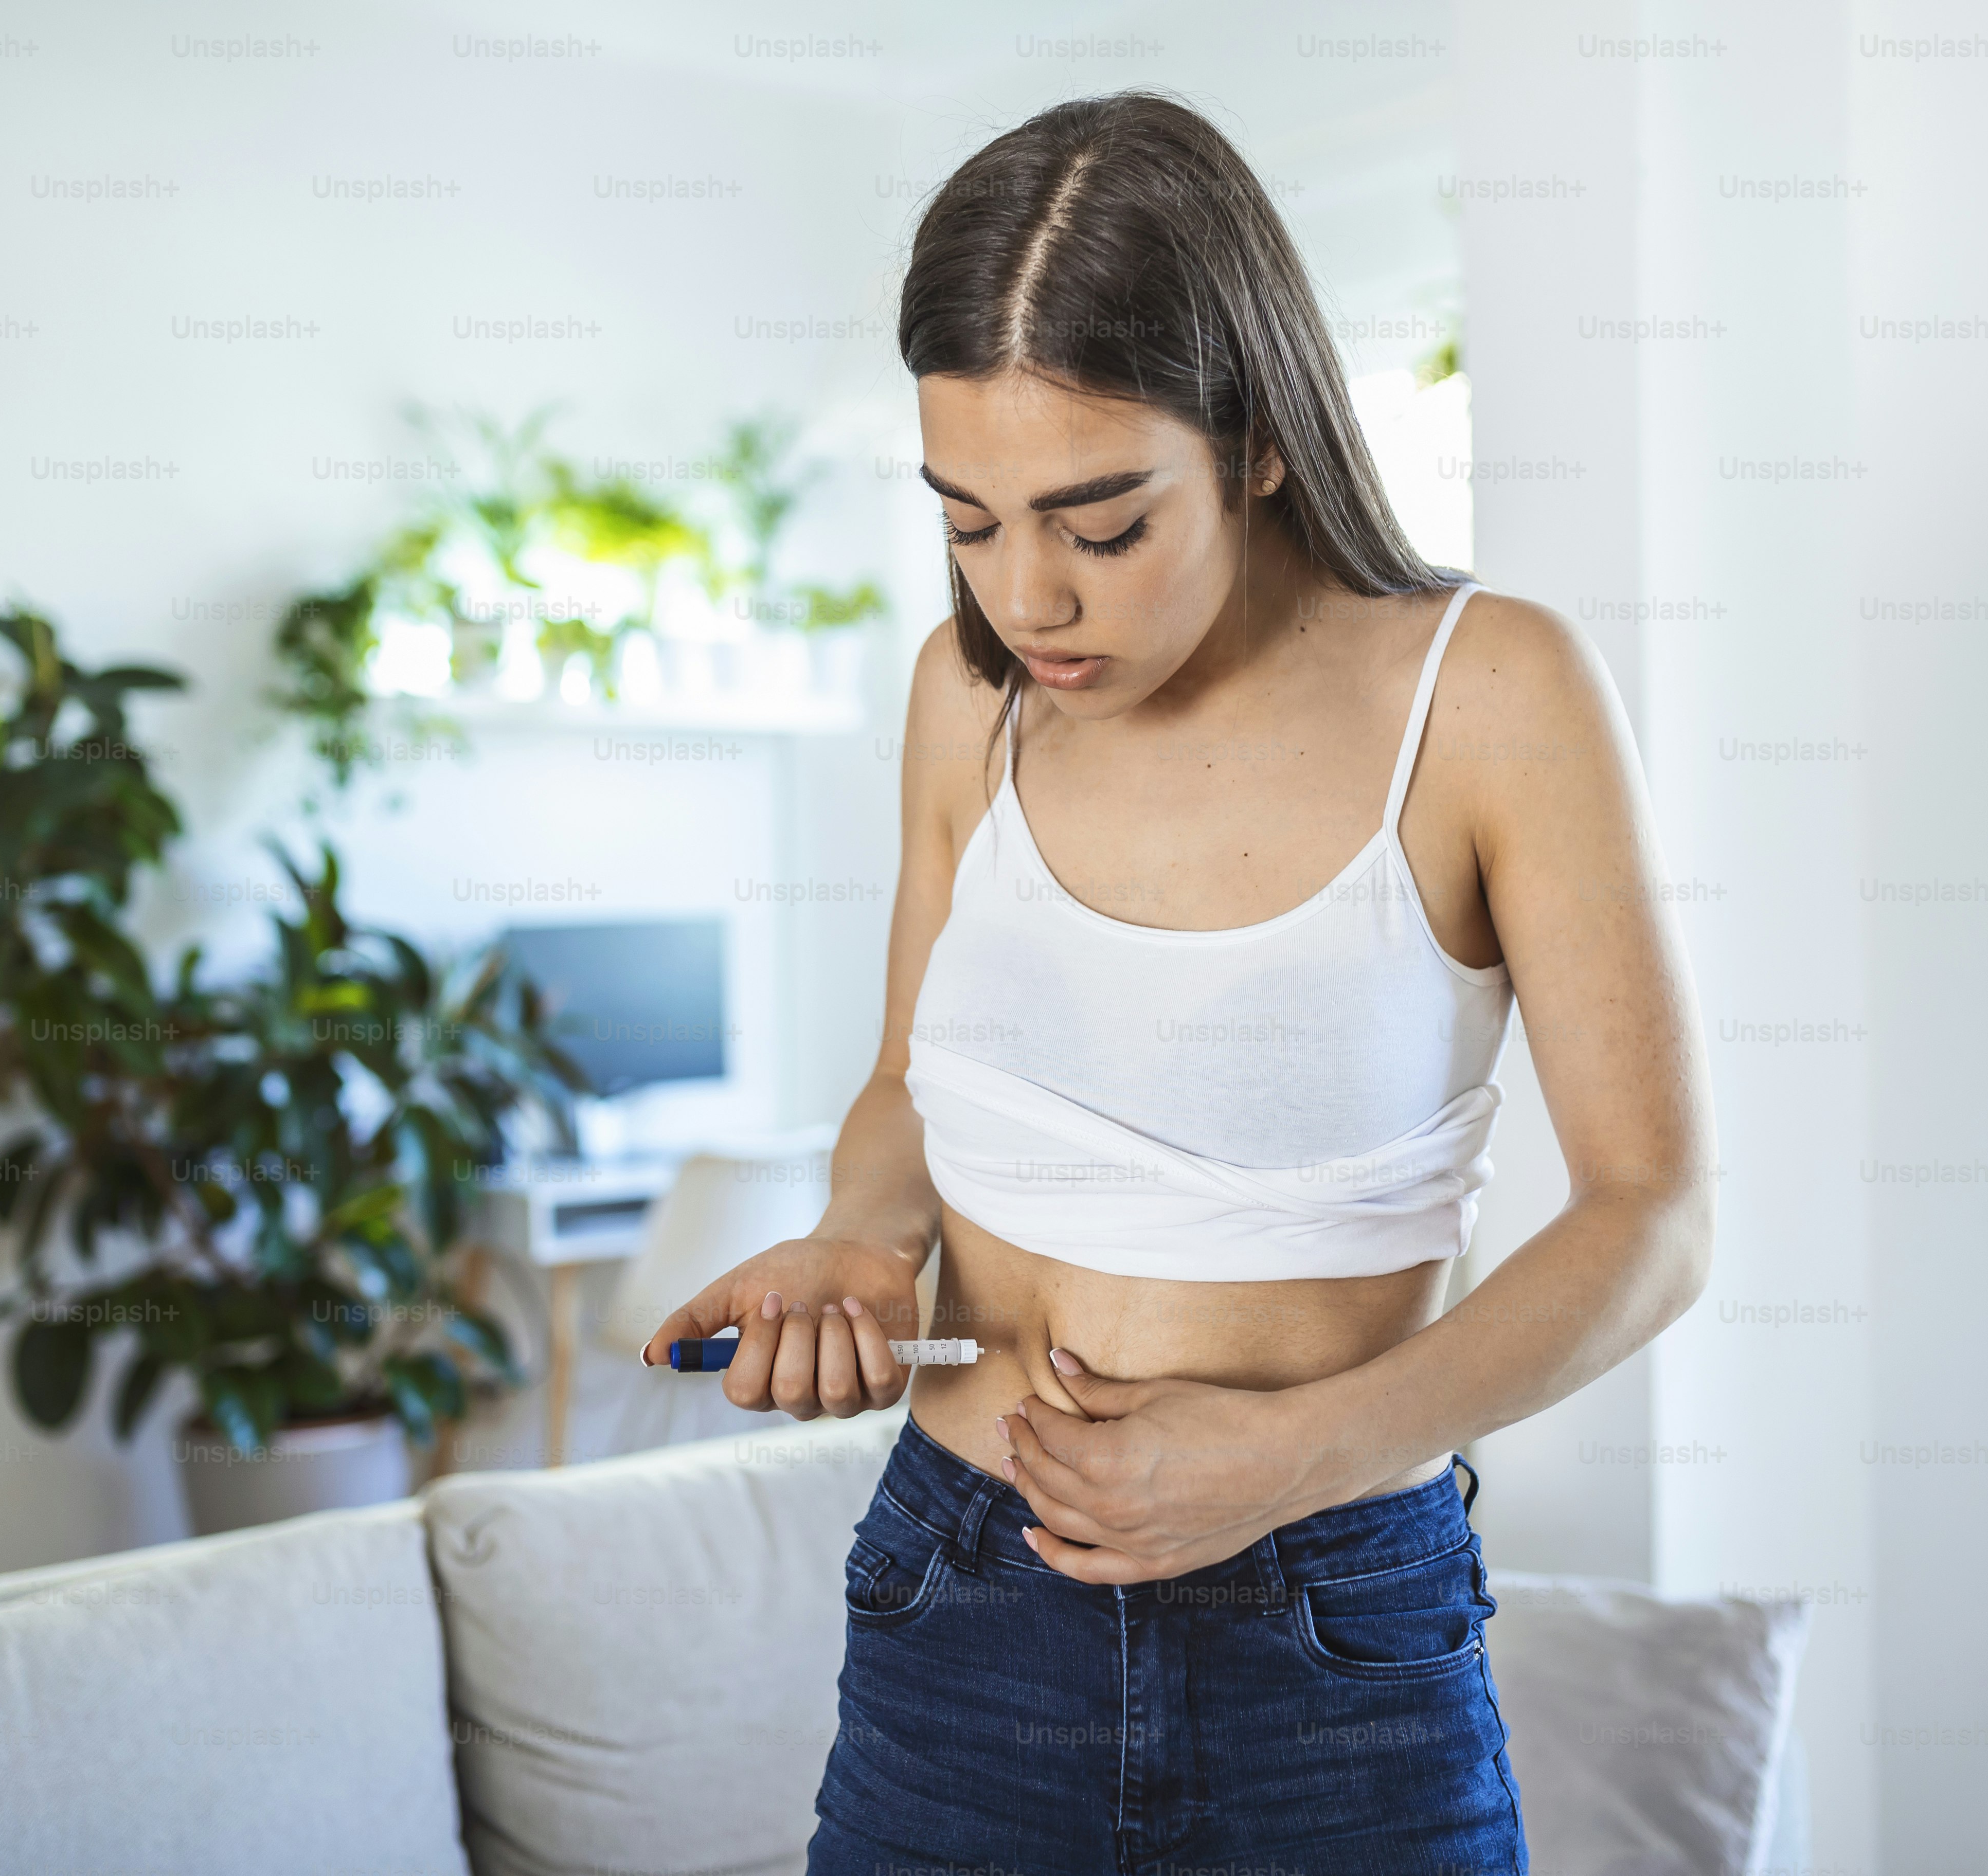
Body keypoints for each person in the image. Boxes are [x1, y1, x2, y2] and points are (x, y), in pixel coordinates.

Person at [647, 90, 1714, 1875]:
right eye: (969, 521)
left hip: (1332, 1635)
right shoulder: (963, 690)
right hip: (955, 1607)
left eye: (1101, 521)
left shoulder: (1490, 694)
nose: (1029, 598)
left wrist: (1298, 1456)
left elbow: (1653, 1217)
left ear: (1260, 441)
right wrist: (860, 1236)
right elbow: (915, 1077)